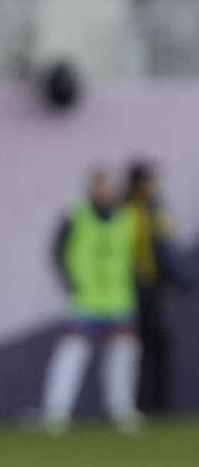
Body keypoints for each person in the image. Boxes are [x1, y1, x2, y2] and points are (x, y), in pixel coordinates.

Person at [40, 168, 141, 434]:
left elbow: (133, 255)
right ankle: (56, 411)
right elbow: (57, 252)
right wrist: (70, 284)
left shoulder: (126, 217)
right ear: (91, 188)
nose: (105, 191)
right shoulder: (76, 215)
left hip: (118, 297)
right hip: (86, 298)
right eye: (100, 186)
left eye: (108, 186)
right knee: (72, 353)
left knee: (123, 355)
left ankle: (121, 409)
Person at [124, 160, 188, 414]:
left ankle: (160, 407)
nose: (153, 185)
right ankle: (139, 406)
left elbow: (166, 249)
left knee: (159, 346)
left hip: (153, 288)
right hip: (132, 290)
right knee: (137, 350)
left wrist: (182, 279)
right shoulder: (128, 211)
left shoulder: (155, 208)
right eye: (149, 180)